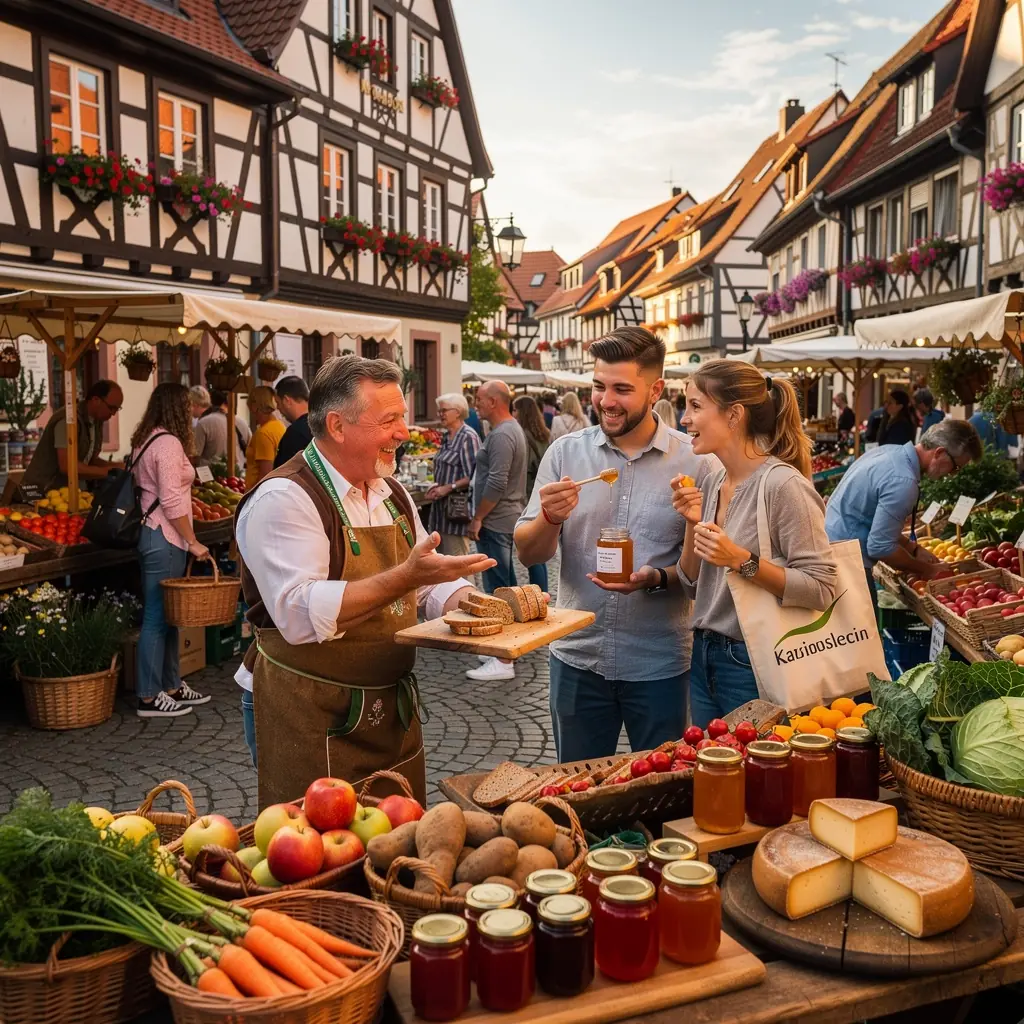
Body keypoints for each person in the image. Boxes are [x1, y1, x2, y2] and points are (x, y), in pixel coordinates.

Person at [233, 355, 494, 796]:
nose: (402, 433)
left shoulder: (390, 491)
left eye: (403, 419)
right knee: (318, 854)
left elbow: (427, 582)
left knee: (397, 843)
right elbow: (299, 615)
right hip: (307, 706)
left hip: (388, 706)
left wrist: (479, 608)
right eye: (388, 420)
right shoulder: (284, 498)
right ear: (337, 426)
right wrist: (406, 577)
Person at [515, 327, 706, 761]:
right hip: (577, 658)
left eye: (622, 389)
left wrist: (655, 578)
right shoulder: (565, 454)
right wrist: (549, 517)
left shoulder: (695, 460)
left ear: (656, 389)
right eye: (599, 386)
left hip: (658, 663)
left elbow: (702, 574)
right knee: (576, 793)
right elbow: (529, 552)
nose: (605, 400)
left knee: (662, 793)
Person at [672, 363, 838, 726]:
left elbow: (822, 588)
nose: (685, 419)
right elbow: (691, 585)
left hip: (753, 660)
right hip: (702, 656)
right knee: (713, 778)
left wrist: (742, 560)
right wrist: (692, 523)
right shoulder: (715, 481)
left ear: (734, 415)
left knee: (751, 781)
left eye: (696, 406)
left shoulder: (783, 486)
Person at [825, 419, 983, 614]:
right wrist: (926, 570)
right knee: (862, 639)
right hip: (846, 566)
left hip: (831, 551)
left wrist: (912, 548)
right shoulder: (903, 482)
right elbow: (880, 547)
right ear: (939, 453)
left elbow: (871, 522)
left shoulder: (887, 452)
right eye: (955, 467)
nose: (952, 475)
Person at [130, 383, 212, 719]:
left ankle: (172, 684)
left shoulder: (146, 439)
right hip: (164, 538)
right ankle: (149, 696)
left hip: (161, 537)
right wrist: (192, 541)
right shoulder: (166, 443)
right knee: (156, 618)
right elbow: (171, 499)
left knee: (170, 616)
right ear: (179, 408)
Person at [469, 380, 528, 594]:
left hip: (496, 519)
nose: (475, 405)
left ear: (493, 402)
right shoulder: (508, 429)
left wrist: (478, 518)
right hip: (502, 516)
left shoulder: (503, 434)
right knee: (505, 583)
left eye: (479, 400)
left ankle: (504, 626)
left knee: (498, 588)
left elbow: (496, 482)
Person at [20, 380, 124, 495]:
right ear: (96, 400)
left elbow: (90, 460)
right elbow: (67, 465)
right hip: (41, 491)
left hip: (65, 492)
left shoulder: (97, 421)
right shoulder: (68, 420)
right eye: (111, 408)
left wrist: (116, 466)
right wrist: (106, 472)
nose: (113, 413)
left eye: (117, 409)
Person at [425, 392, 480, 556]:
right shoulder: (446, 437)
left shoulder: (468, 437)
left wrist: (449, 487)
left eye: (444, 411)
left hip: (456, 515)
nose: (440, 414)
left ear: (457, 412)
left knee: (457, 567)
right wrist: (436, 487)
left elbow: (473, 476)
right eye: (439, 411)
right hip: (439, 515)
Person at [512, 394, 551, 593]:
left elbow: (523, 468)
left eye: (516, 409)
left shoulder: (524, 435)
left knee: (532, 549)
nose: (513, 413)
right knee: (539, 548)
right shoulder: (544, 433)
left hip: (529, 493)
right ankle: (542, 589)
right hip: (543, 491)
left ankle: (537, 591)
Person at [194, 389, 252, 470]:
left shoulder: (204, 423)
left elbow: (195, 456)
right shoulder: (242, 423)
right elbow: (251, 451)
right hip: (238, 476)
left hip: (211, 476)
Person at [246, 386, 286, 489]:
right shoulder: (279, 426)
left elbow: (265, 473)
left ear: (254, 406)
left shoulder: (263, 434)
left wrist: (251, 498)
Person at [274, 375, 312, 468]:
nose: (277, 408)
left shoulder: (295, 433)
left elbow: (284, 475)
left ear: (287, 400)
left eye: (278, 403)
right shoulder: (324, 424)